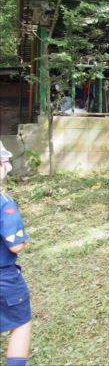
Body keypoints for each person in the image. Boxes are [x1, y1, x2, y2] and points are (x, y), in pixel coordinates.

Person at [0, 142, 32, 366]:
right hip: (4, 278)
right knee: (21, 323)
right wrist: (25, 241)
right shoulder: (5, 204)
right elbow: (15, 245)